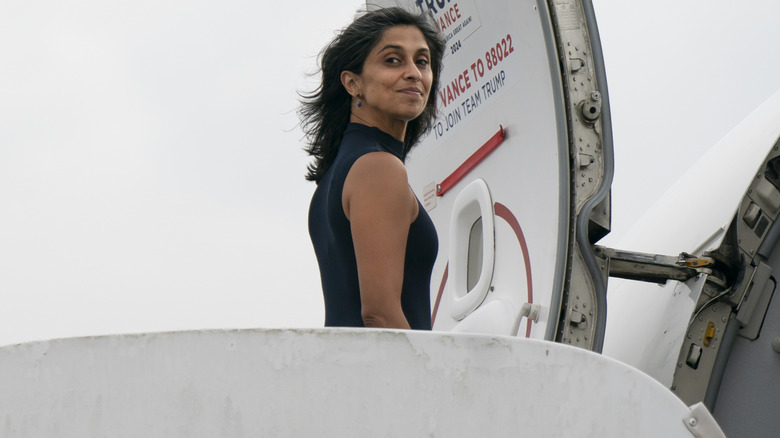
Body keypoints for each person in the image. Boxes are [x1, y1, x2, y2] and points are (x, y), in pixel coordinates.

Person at [301, 7, 445, 330]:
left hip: (349, 371)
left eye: (421, 61)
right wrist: (428, 379)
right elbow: (380, 316)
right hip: (386, 374)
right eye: (393, 60)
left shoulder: (335, 176)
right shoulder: (379, 169)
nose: (412, 73)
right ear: (353, 83)